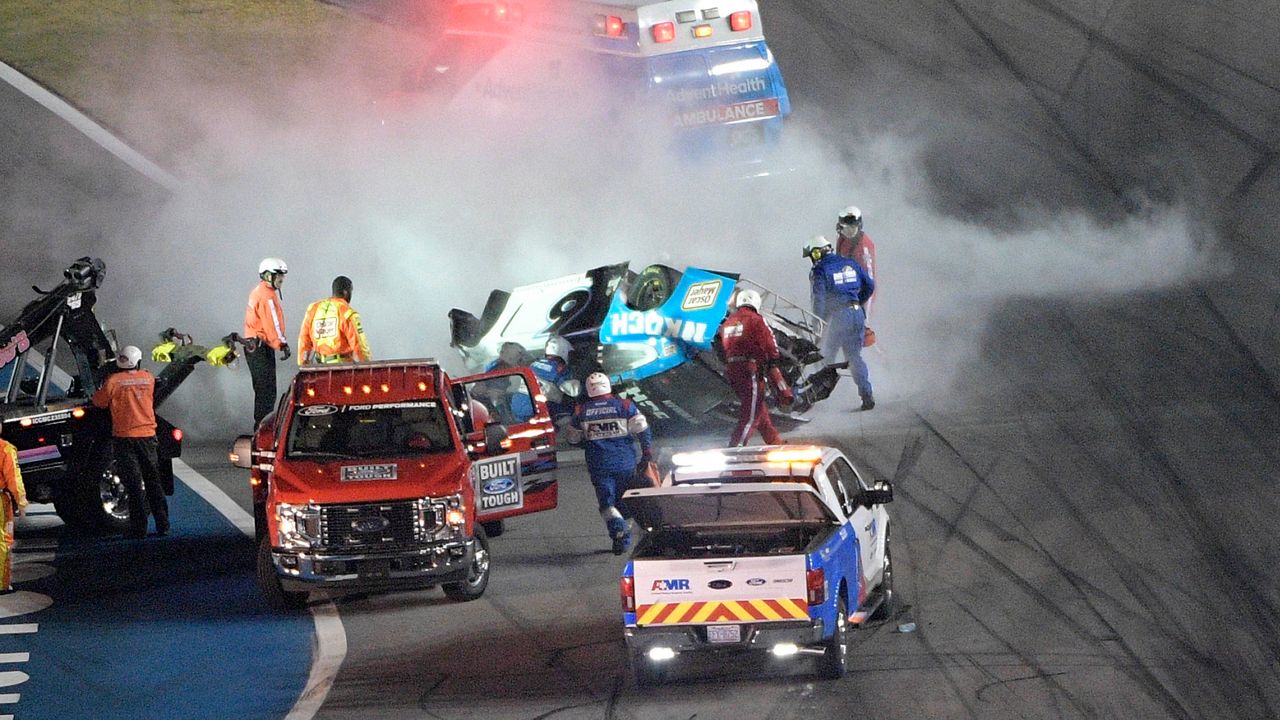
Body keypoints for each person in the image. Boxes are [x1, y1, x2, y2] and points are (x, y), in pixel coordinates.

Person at [565, 372, 654, 555]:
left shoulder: (581, 412)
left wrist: (588, 443)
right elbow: (643, 429)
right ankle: (624, 536)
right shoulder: (626, 405)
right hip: (625, 463)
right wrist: (647, 453)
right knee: (625, 501)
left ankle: (618, 530)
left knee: (607, 503)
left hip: (599, 465)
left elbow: (573, 439)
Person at [91, 345, 168, 538]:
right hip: (147, 436)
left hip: (125, 438)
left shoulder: (114, 381)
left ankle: (138, 528)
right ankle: (163, 524)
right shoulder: (148, 378)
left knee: (133, 485)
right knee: (153, 481)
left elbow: (98, 402)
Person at [716, 288, 793, 447]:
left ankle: (774, 441)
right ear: (755, 302)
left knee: (757, 407)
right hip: (750, 369)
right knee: (751, 416)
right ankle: (735, 449)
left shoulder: (728, 322)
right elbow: (769, 342)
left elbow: (721, 347)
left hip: (732, 369)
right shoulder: (756, 319)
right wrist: (773, 361)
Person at [807, 235, 876, 410]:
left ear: (817, 253)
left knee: (825, 356)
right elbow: (869, 285)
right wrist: (857, 301)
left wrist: (818, 325)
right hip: (857, 314)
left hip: (839, 317)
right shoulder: (851, 263)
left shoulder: (820, 270)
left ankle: (817, 399)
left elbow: (819, 300)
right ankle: (866, 394)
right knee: (854, 357)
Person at [244, 257, 290, 427]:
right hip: (260, 346)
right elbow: (273, 324)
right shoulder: (267, 296)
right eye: (278, 275)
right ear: (267, 275)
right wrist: (282, 344)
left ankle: (261, 426)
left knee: (262, 390)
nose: (281, 279)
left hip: (254, 346)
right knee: (267, 392)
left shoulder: (258, 291)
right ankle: (263, 429)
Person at [298, 276, 371, 365]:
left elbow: (304, 339)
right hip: (342, 369)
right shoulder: (346, 312)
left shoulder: (313, 309)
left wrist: (303, 364)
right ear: (346, 292)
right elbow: (359, 345)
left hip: (320, 368)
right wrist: (366, 367)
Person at [835, 205, 878, 348]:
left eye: (852, 229)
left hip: (860, 295)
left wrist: (863, 318)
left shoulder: (864, 247)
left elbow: (870, 283)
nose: (849, 232)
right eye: (846, 229)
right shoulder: (842, 239)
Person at [0, 421, 28, 593]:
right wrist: (21, 501)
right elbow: (14, 479)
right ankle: (1, 583)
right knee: (3, 540)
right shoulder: (5, 449)